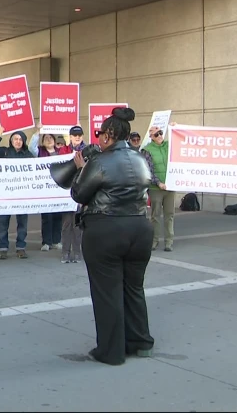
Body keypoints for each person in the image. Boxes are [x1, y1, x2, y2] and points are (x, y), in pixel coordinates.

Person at [69, 107, 154, 366]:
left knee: (108, 292)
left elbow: (79, 194)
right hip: (140, 227)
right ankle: (140, 342)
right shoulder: (140, 158)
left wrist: (81, 169)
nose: (98, 139)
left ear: (108, 135)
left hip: (106, 229)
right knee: (134, 287)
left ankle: (111, 351)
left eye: (100, 134)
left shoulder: (100, 161)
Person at [0, 125, 34, 259]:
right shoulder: (4, 152)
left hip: (22, 194)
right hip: (5, 194)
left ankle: (21, 247)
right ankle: (3, 248)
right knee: (3, 221)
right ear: (11, 140)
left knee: (22, 222)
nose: (18, 141)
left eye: (20, 139)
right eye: (15, 139)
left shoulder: (28, 155)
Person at [29, 123, 71, 252]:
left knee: (58, 216)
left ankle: (56, 241)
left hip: (58, 188)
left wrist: (68, 131)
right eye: (46, 138)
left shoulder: (61, 152)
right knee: (46, 217)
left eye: (50, 138)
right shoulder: (40, 152)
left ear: (54, 140)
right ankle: (46, 242)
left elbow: (71, 148)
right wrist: (38, 131)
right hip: (45, 189)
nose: (48, 139)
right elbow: (31, 146)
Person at [141, 125, 175, 251]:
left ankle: (169, 241)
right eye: (156, 134)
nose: (160, 136)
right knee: (155, 215)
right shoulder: (147, 150)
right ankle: (154, 240)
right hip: (156, 188)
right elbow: (148, 169)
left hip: (170, 186)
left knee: (169, 214)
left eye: (161, 133)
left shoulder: (168, 146)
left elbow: (181, 142)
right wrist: (158, 183)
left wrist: (175, 128)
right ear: (151, 137)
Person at [62, 126, 87, 264]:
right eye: (74, 135)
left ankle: (78, 252)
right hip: (65, 192)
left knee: (78, 224)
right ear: (70, 137)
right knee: (66, 224)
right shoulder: (64, 150)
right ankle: (65, 252)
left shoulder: (87, 150)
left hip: (80, 190)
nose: (77, 137)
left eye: (79, 135)